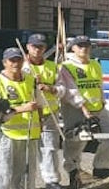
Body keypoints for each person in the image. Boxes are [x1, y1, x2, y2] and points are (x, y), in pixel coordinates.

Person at [57, 35, 109, 187]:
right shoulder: (66, 66)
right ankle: (74, 173)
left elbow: (98, 84)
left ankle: (101, 167)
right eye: (80, 46)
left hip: (98, 108)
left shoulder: (95, 64)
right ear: (73, 48)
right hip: (75, 109)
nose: (84, 48)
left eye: (86, 45)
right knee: (76, 143)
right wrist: (83, 108)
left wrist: (101, 100)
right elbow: (70, 91)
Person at [0, 48, 41, 189]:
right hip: (4, 134)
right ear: (4, 62)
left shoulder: (31, 80)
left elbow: (39, 104)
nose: (16, 63)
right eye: (12, 60)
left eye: (19, 59)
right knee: (1, 177)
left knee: (26, 178)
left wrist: (41, 122)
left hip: (28, 135)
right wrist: (22, 109)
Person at [21, 34, 64, 189]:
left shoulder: (52, 66)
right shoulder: (20, 66)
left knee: (50, 148)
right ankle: (23, 184)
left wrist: (50, 88)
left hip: (49, 113)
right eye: (34, 46)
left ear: (45, 48)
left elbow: (62, 89)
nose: (37, 49)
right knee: (26, 150)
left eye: (40, 46)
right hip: (28, 115)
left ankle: (52, 180)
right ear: (27, 47)